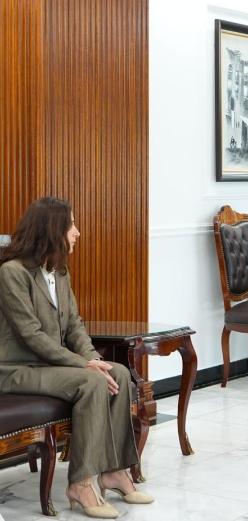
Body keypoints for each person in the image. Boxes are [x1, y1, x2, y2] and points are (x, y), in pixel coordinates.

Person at [0, 197, 154, 519]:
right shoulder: (12, 273)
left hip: (51, 365)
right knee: (91, 380)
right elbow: (31, 335)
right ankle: (81, 483)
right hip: (17, 369)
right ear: (52, 229)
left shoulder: (59, 271)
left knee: (118, 373)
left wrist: (94, 358)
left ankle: (114, 471)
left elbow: (73, 325)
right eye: (71, 224)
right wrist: (84, 365)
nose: (77, 232)